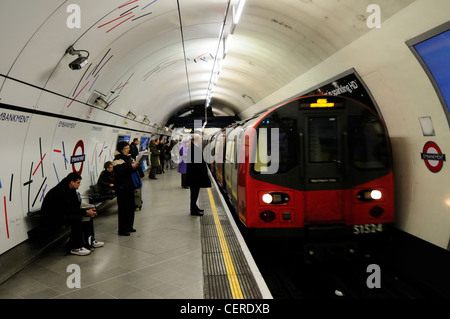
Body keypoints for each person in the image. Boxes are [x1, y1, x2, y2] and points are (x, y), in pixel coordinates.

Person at [41, 172, 103, 256]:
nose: (79, 185)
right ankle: (75, 247)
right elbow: (67, 209)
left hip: (61, 213)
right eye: (78, 183)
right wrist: (84, 212)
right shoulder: (60, 191)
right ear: (71, 182)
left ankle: (89, 240)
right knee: (76, 218)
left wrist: (87, 211)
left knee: (86, 214)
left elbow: (75, 205)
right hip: (52, 217)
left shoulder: (71, 189)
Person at [113, 141, 139, 236]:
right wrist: (131, 166)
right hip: (122, 187)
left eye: (128, 148)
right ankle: (122, 229)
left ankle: (129, 226)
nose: (128, 149)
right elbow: (120, 171)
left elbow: (130, 169)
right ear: (121, 149)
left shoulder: (128, 158)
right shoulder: (117, 159)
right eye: (126, 148)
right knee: (124, 208)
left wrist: (136, 165)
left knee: (131, 207)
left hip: (130, 186)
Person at [186, 134, 211, 216]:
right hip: (195, 176)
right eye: (200, 139)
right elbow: (196, 164)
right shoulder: (193, 149)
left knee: (194, 193)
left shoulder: (193, 147)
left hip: (194, 176)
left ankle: (194, 207)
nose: (201, 140)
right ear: (197, 140)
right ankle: (193, 210)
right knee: (194, 193)